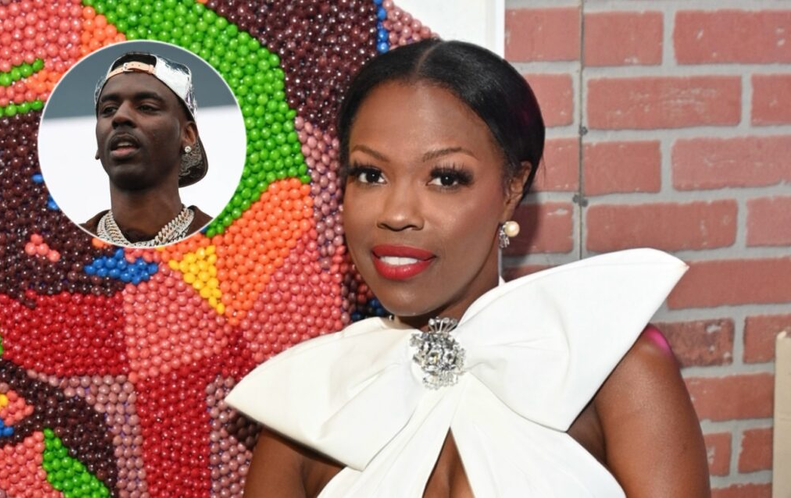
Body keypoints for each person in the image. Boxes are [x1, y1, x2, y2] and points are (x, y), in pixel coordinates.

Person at [226, 39, 711, 497]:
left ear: (512, 188)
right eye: (370, 174)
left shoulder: (611, 370)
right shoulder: (308, 406)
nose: (397, 213)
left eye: (445, 178)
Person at [81, 51, 212, 247]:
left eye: (146, 107)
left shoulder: (224, 241)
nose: (120, 117)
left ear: (188, 135)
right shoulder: (67, 245)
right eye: (108, 110)